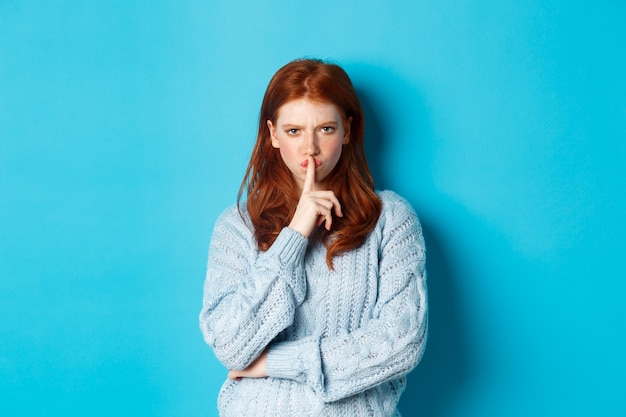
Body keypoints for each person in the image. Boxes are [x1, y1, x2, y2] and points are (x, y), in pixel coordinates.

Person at [199, 58, 427, 417]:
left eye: (325, 129)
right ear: (272, 134)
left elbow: (401, 342)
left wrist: (276, 362)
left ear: (347, 130)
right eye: (294, 131)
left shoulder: (391, 219)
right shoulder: (237, 226)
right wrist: (295, 234)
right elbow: (230, 345)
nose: (310, 148)